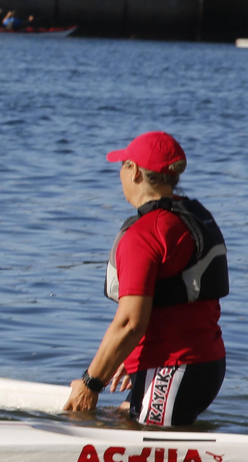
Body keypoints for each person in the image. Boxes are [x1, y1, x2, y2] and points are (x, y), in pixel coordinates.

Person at [65, 131, 228, 427]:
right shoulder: (191, 216)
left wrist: (90, 383)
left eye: (123, 165)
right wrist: (132, 358)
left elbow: (129, 322)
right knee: (123, 420)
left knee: (137, 449)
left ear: (135, 172)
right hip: (205, 363)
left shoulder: (144, 234)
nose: (120, 174)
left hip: (174, 368)